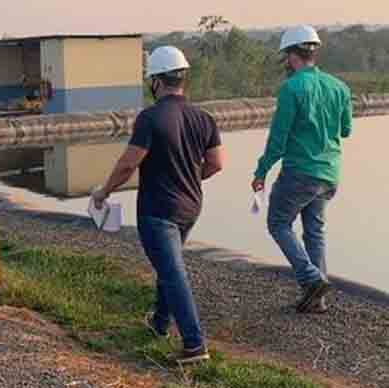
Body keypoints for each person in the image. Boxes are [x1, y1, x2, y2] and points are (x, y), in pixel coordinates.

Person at [92, 46, 224, 365]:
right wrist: (188, 179)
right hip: (191, 207)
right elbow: (216, 163)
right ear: (182, 78)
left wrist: (103, 192)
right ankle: (159, 324)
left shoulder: (150, 118)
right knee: (169, 266)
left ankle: (194, 344)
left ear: (155, 82)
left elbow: (128, 164)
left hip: (158, 211)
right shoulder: (203, 118)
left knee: (173, 271)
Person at [252, 25, 352, 314]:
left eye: (286, 56)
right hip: (330, 173)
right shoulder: (339, 87)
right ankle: (317, 300)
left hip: (300, 173)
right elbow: (345, 130)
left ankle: (312, 278)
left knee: (278, 223)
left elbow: (278, 140)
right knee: (314, 231)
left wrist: (261, 171)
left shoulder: (292, 88)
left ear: (292, 55)